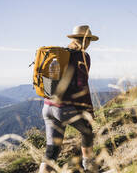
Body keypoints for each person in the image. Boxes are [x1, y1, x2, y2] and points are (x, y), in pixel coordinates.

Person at [39, 25, 99, 173]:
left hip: (47, 107)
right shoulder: (82, 56)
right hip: (64, 109)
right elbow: (82, 86)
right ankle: (89, 168)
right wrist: (89, 111)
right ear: (86, 41)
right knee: (88, 132)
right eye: (89, 40)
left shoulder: (60, 55)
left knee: (51, 150)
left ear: (73, 39)